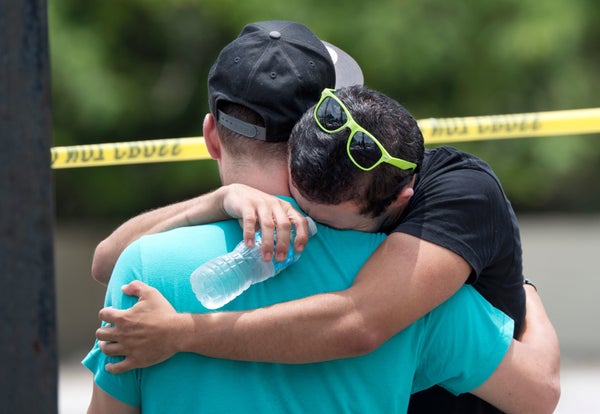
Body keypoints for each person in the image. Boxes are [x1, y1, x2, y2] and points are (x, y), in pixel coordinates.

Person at [91, 22, 560, 413]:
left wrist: (181, 325)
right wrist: (527, 293)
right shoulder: (419, 289)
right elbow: (539, 392)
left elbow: (107, 261)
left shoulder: (144, 273)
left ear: (212, 136)